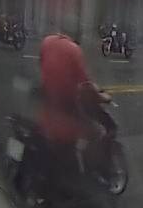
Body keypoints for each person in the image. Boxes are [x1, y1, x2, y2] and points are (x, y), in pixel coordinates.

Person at [39, 24, 111, 174]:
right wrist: (102, 97)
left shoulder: (47, 41)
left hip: (47, 100)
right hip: (66, 104)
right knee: (95, 131)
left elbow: (41, 63)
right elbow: (85, 82)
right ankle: (86, 170)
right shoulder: (74, 50)